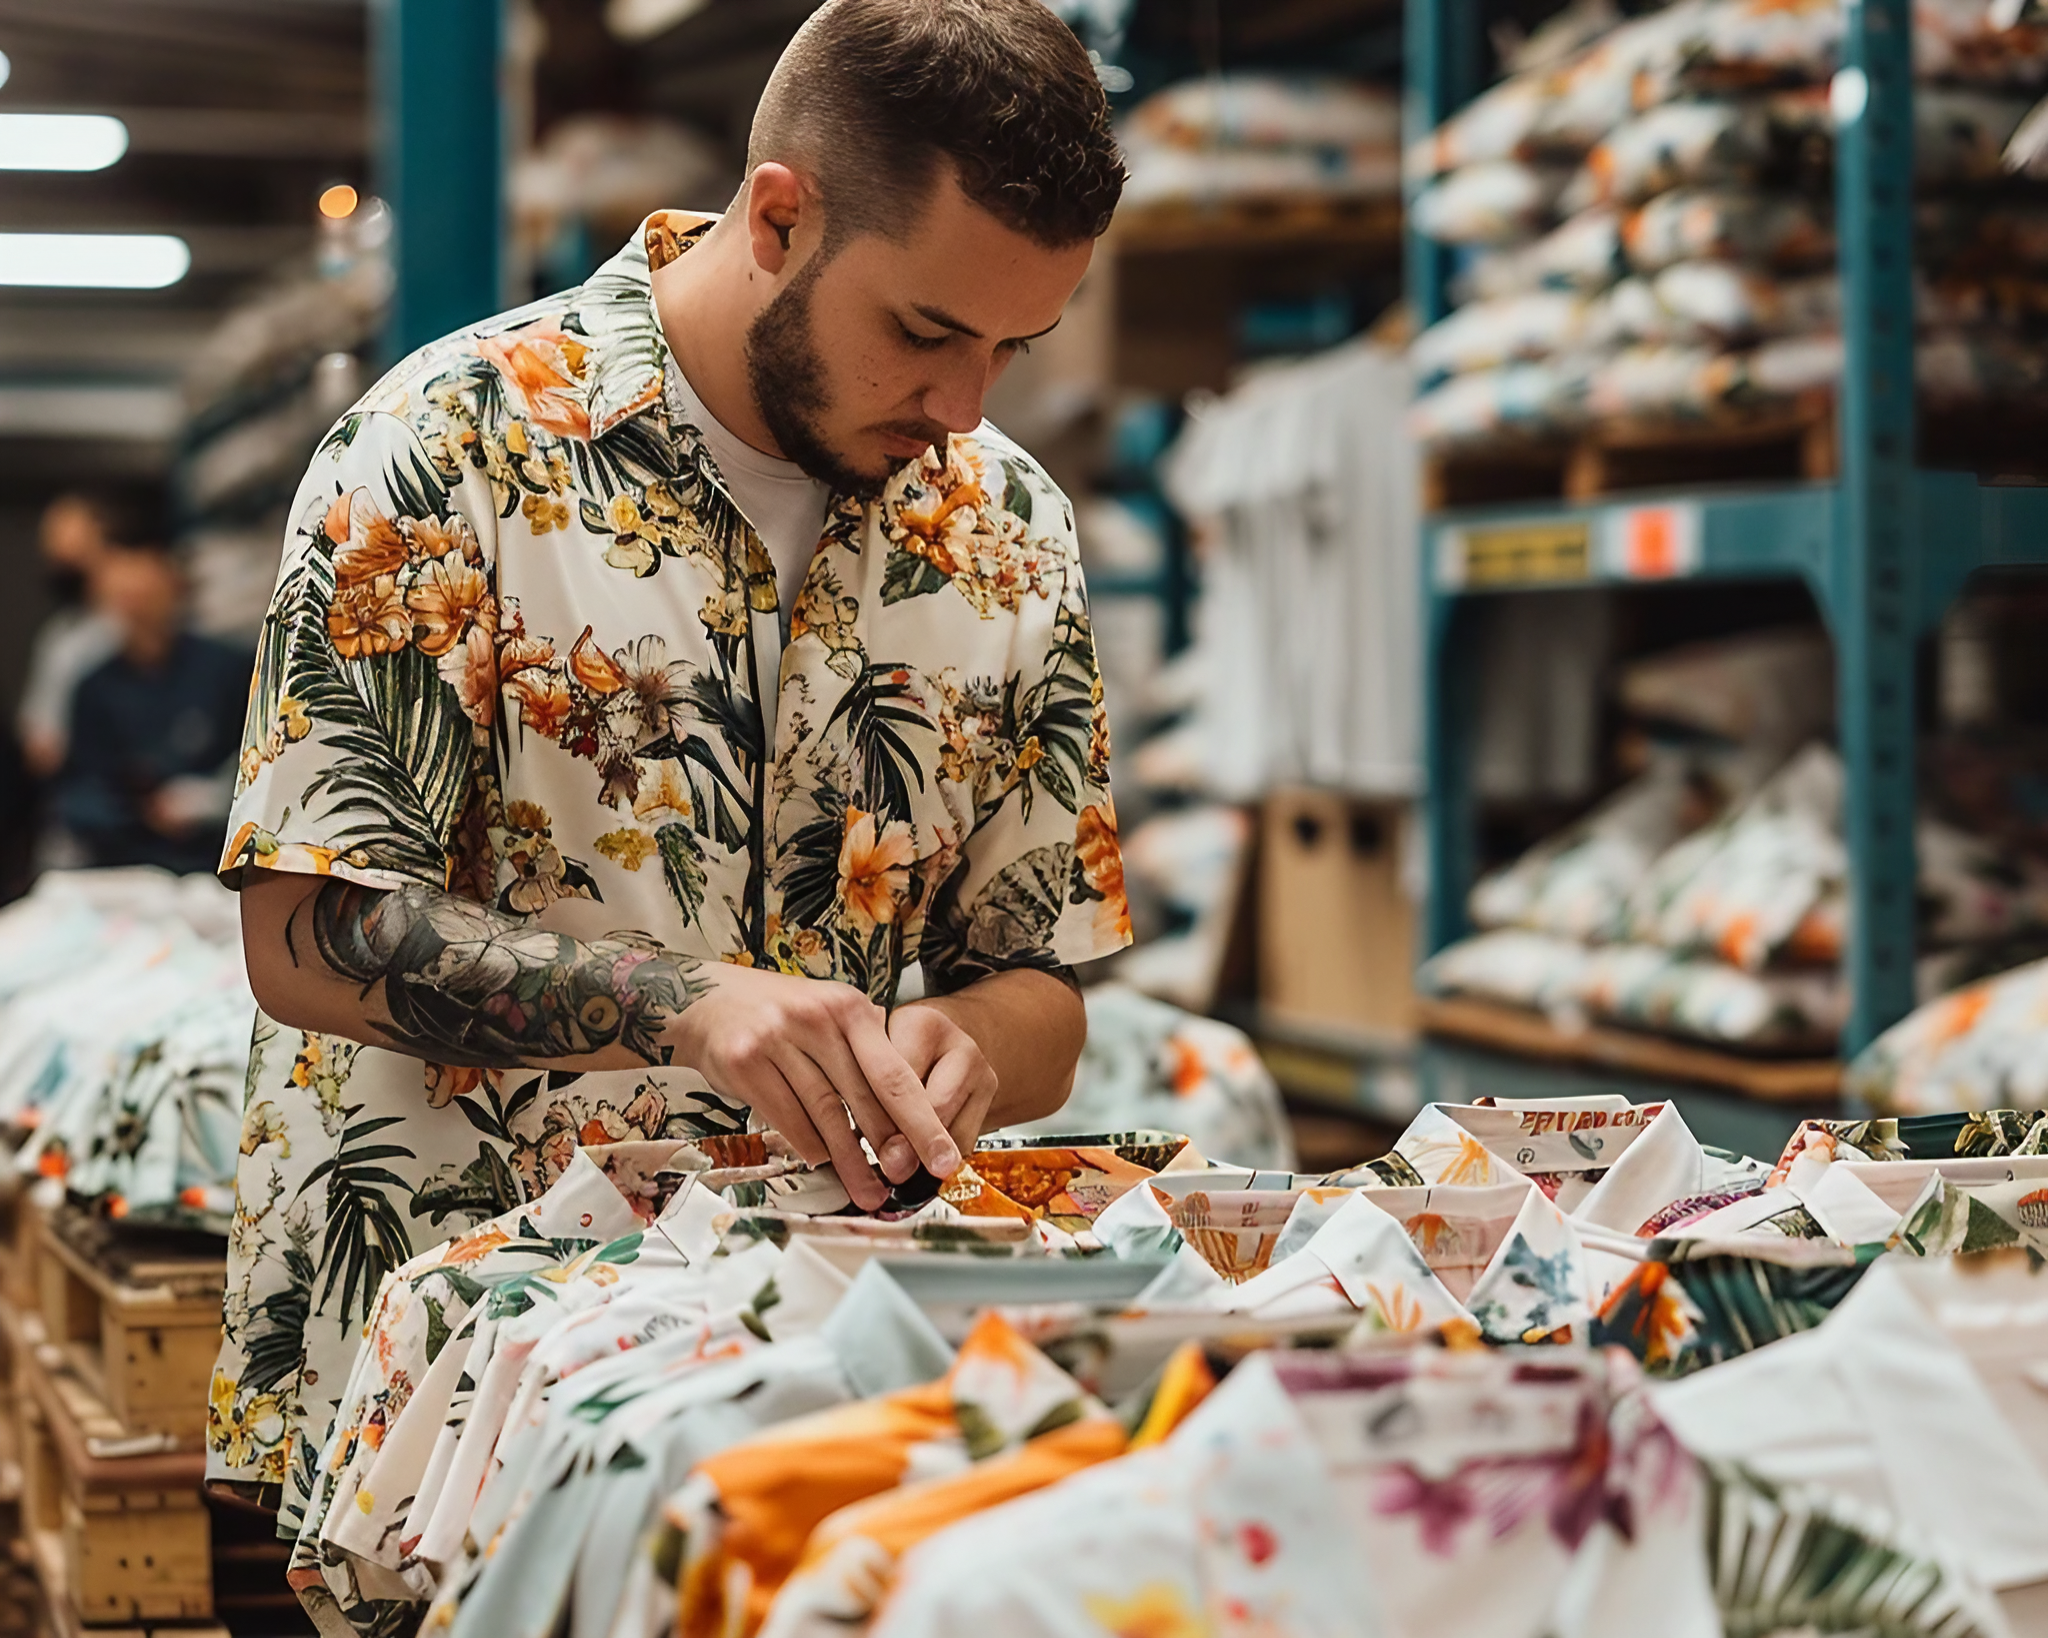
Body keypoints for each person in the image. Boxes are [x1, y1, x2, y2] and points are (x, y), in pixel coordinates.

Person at [208, 0, 1134, 1541]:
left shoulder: (1009, 529)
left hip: (806, 1413)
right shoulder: (444, 447)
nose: (968, 407)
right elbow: (309, 934)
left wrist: (969, 1038)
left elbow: (1046, 987)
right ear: (779, 215)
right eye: (924, 332)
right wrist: (687, 1002)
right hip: (441, 1432)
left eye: (1012, 347)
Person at [55, 545, 247, 875]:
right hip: (125, 860)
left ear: (174, 593)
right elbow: (76, 791)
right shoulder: (94, 687)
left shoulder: (228, 669)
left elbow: (261, 762)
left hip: (215, 856)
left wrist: (209, 803)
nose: (138, 611)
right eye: (124, 600)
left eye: (146, 596)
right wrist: (139, 812)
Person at [19, 492, 123, 781]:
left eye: (68, 541)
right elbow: (40, 746)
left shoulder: (153, 623)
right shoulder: (61, 638)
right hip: (87, 786)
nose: (59, 556)